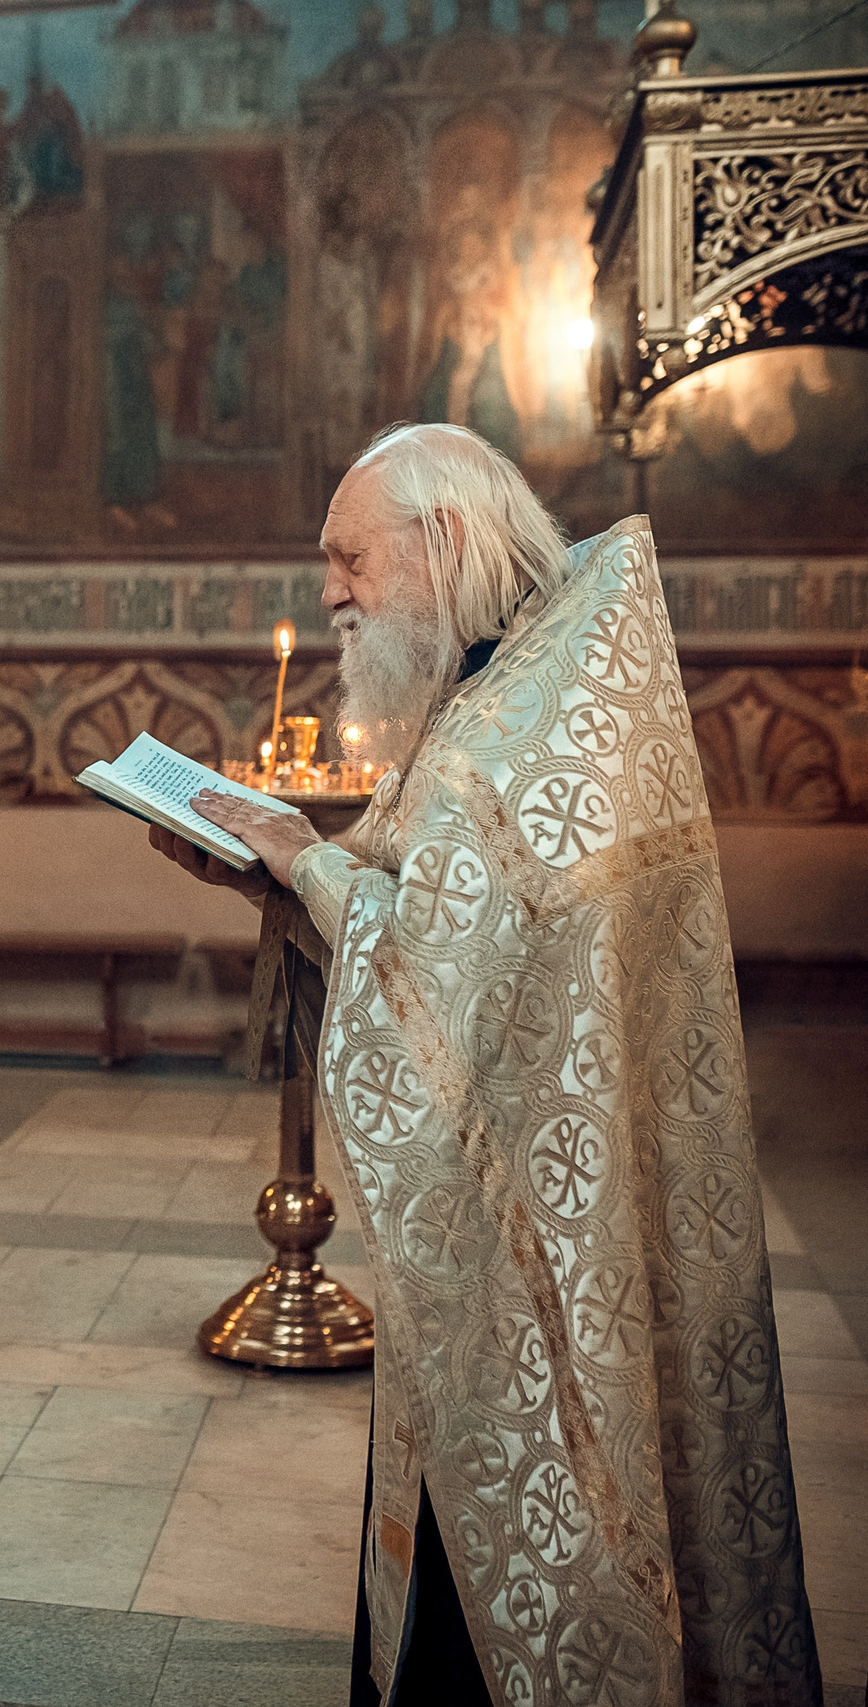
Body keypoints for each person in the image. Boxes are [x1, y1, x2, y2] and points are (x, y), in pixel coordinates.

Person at [152, 423, 819, 1705]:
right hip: (528, 1228)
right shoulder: (519, 691)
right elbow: (430, 923)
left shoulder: (511, 732)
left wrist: (300, 858)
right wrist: (281, 880)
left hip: (548, 1274)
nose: (331, 595)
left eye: (350, 560)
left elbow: (430, 965)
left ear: (444, 542)